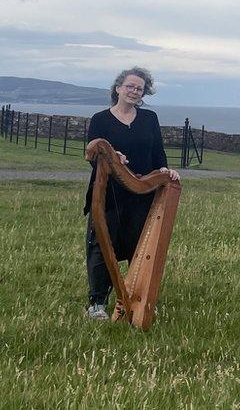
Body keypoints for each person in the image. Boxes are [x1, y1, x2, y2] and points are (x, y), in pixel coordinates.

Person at [83, 67, 180, 321]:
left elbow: (158, 154)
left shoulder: (149, 118)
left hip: (142, 195)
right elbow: (93, 156)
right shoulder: (100, 119)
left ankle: (136, 297)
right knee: (102, 246)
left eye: (139, 88)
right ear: (118, 89)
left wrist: (164, 171)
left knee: (138, 245)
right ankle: (97, 303)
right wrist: (113, 160)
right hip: (108, 193)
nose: (134, 91)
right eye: (130, 86)